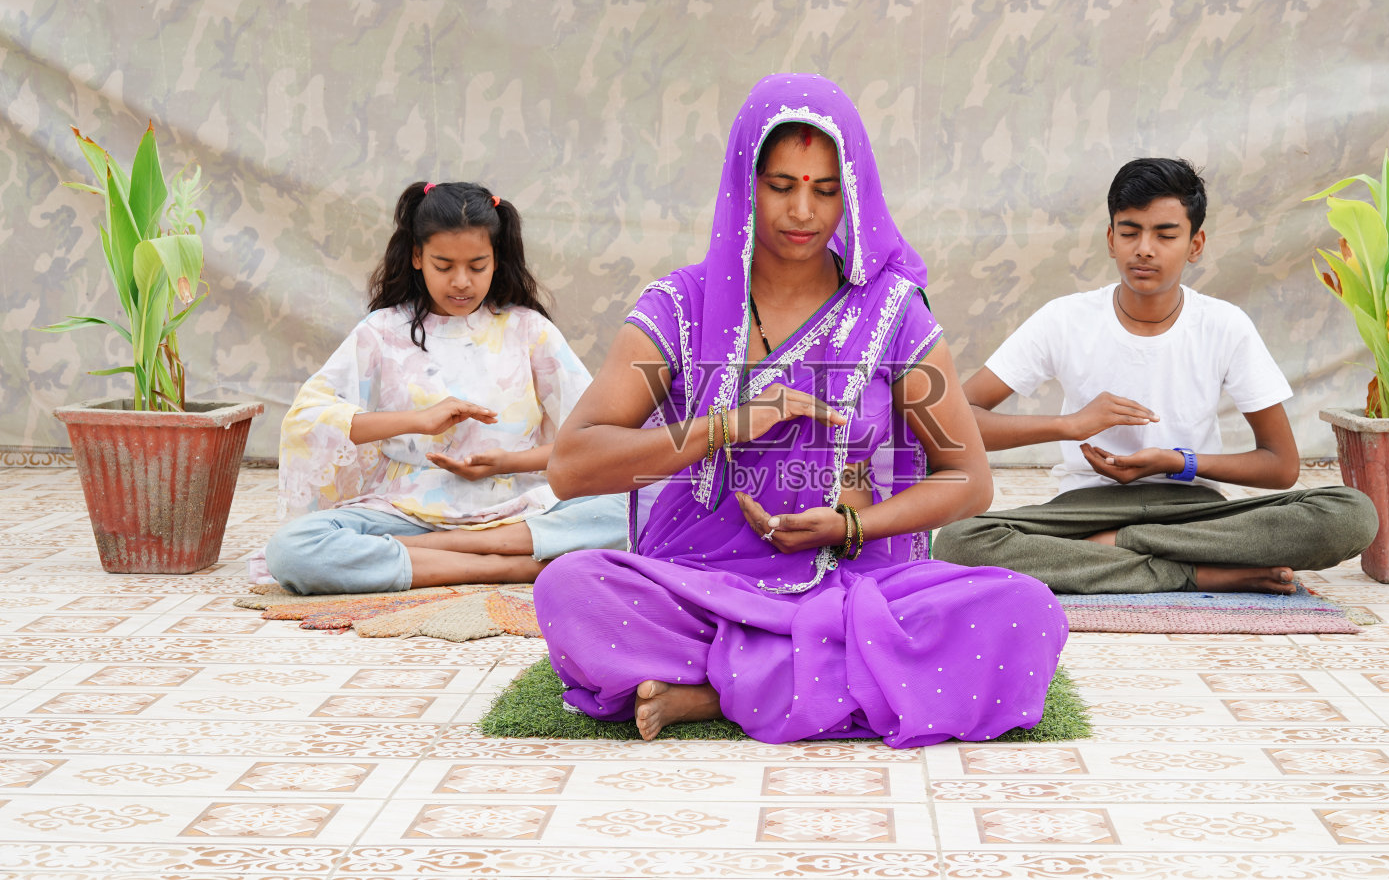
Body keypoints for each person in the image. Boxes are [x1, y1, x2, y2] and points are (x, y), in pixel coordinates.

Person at [533, 74, 1066, 748]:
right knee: (570, 589)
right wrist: (729, 424)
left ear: (854, 193)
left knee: (1026, 612)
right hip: (702, 589)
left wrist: (850, 526)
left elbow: (969, 478)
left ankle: (711, 694)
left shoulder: (892, 311)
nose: (803, 213)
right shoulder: (680, 306)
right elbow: (571, 468)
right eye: (782, 185)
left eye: (825, 189)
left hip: (855, 589)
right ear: (743, 184)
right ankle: (813, 677)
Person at [933, 158, 1377, 596]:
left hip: (1194, 511)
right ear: (1111, 239)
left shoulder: (1225, 325)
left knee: (1352, 513)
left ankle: (1113, 552)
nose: (1144, 248)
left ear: (1195, 244)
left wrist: (1177, 462)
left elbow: (1281, 467)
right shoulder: (1064, 318)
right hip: (1084, 511)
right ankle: (1194, 572)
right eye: (1129, 232)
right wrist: (1069, 425)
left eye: (1165, 234)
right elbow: (956, 422)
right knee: (958, 542)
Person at [256, 181, 627, 595]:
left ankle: (445, 554)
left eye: (477, 266)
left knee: (636, 510)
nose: (461, 282)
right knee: (292, 550)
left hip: (519, 506)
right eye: (444, 265)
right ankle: (512, 568)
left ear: (497, 259)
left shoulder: (529, 330)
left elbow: (594, 441)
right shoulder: (382, 332)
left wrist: (507, 463)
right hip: (409, 510)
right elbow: (308, 419)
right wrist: (418, 420)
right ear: (417, 257)